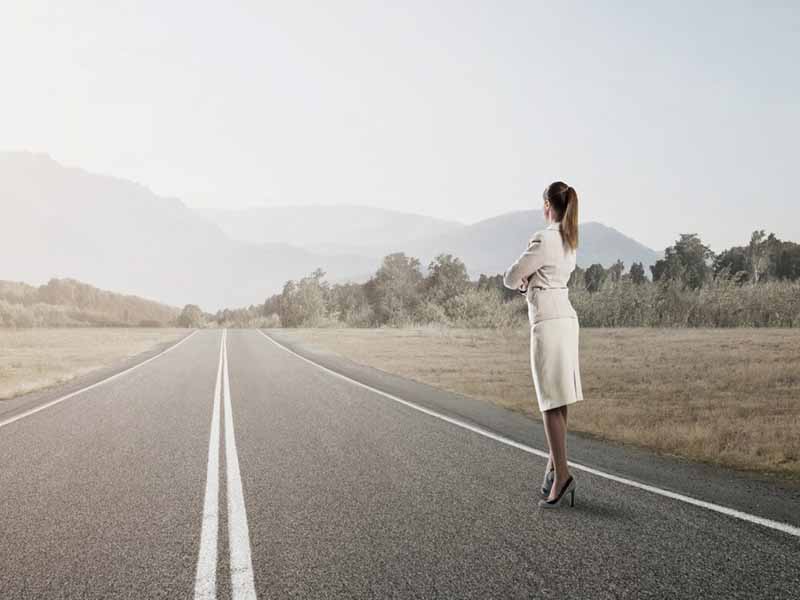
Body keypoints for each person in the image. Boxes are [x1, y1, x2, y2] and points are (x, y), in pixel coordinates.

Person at [503, 181, 583, 508]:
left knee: (549, 401)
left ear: (548, 205)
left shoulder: (544, 237)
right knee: (560, 397)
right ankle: (554, 465)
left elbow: (511, 276)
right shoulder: (569, 240)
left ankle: (562, 476)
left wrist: (523, 282)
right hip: (566, 320)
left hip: (547, 323)